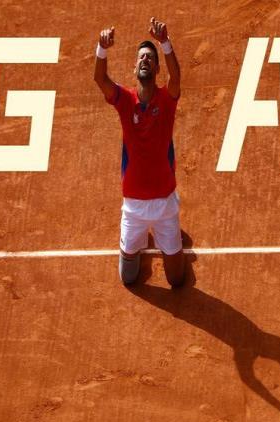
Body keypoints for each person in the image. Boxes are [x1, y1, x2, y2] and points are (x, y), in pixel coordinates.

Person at [94, 17, 185, 287]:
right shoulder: (124, 100)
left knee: (177, 280)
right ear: (135, 68)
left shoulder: (166, 100)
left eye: (150, 57)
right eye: (141, 57)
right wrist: (102, 48)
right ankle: (141, 241)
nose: (145, 59)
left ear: (156, 68)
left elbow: (176, 77)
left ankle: (167, 244)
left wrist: (165, 42)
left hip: (165, 203)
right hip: (133, 206)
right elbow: (100, 78)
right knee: (128, 277)